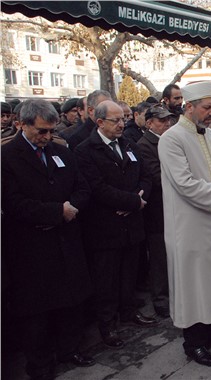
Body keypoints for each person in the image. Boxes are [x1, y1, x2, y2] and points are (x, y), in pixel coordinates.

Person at [2, 99, 95, 379]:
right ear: (22, 124)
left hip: (66, 240)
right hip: (32, 247)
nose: (46, 137)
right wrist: (56, 212)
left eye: (50, 131)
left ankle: (69, 349)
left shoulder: (61, 152)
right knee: (37, 313)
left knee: (70, 302)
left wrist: (72, 208)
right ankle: (40, 364)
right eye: (40, 131)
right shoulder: (7, 158)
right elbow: (13, 202)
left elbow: (82, 186)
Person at [159, 81, 211, 367]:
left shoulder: (210, 136)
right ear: (189, 107)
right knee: (195, 283)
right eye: (207, 108)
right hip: (190, 225)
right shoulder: (171, 139)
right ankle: (194, 343)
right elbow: (185, 184)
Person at [75, 100, 157, 349]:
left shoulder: (129, 145)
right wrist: (132, 200)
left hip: (131, 223)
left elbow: (145, 176)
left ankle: (128, 311)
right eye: (116, 120)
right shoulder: (85, 150)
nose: (122, 124)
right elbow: (96, 187)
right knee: (106, 279)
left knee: (129, 273)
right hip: (105, 228)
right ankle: (107, 324)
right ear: (100, 122)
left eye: (124, 119)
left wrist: (138, 198)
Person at [136, 104, 174, 318]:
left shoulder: (170, 140)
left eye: (168, 120)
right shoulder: (144, 145)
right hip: (158, 210)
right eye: (162, 121)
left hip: (173, 208)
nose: (167, 124)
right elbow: (156, 176)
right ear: (149, 123)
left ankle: (173, 294)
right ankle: (160, 299)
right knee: (159, 258)